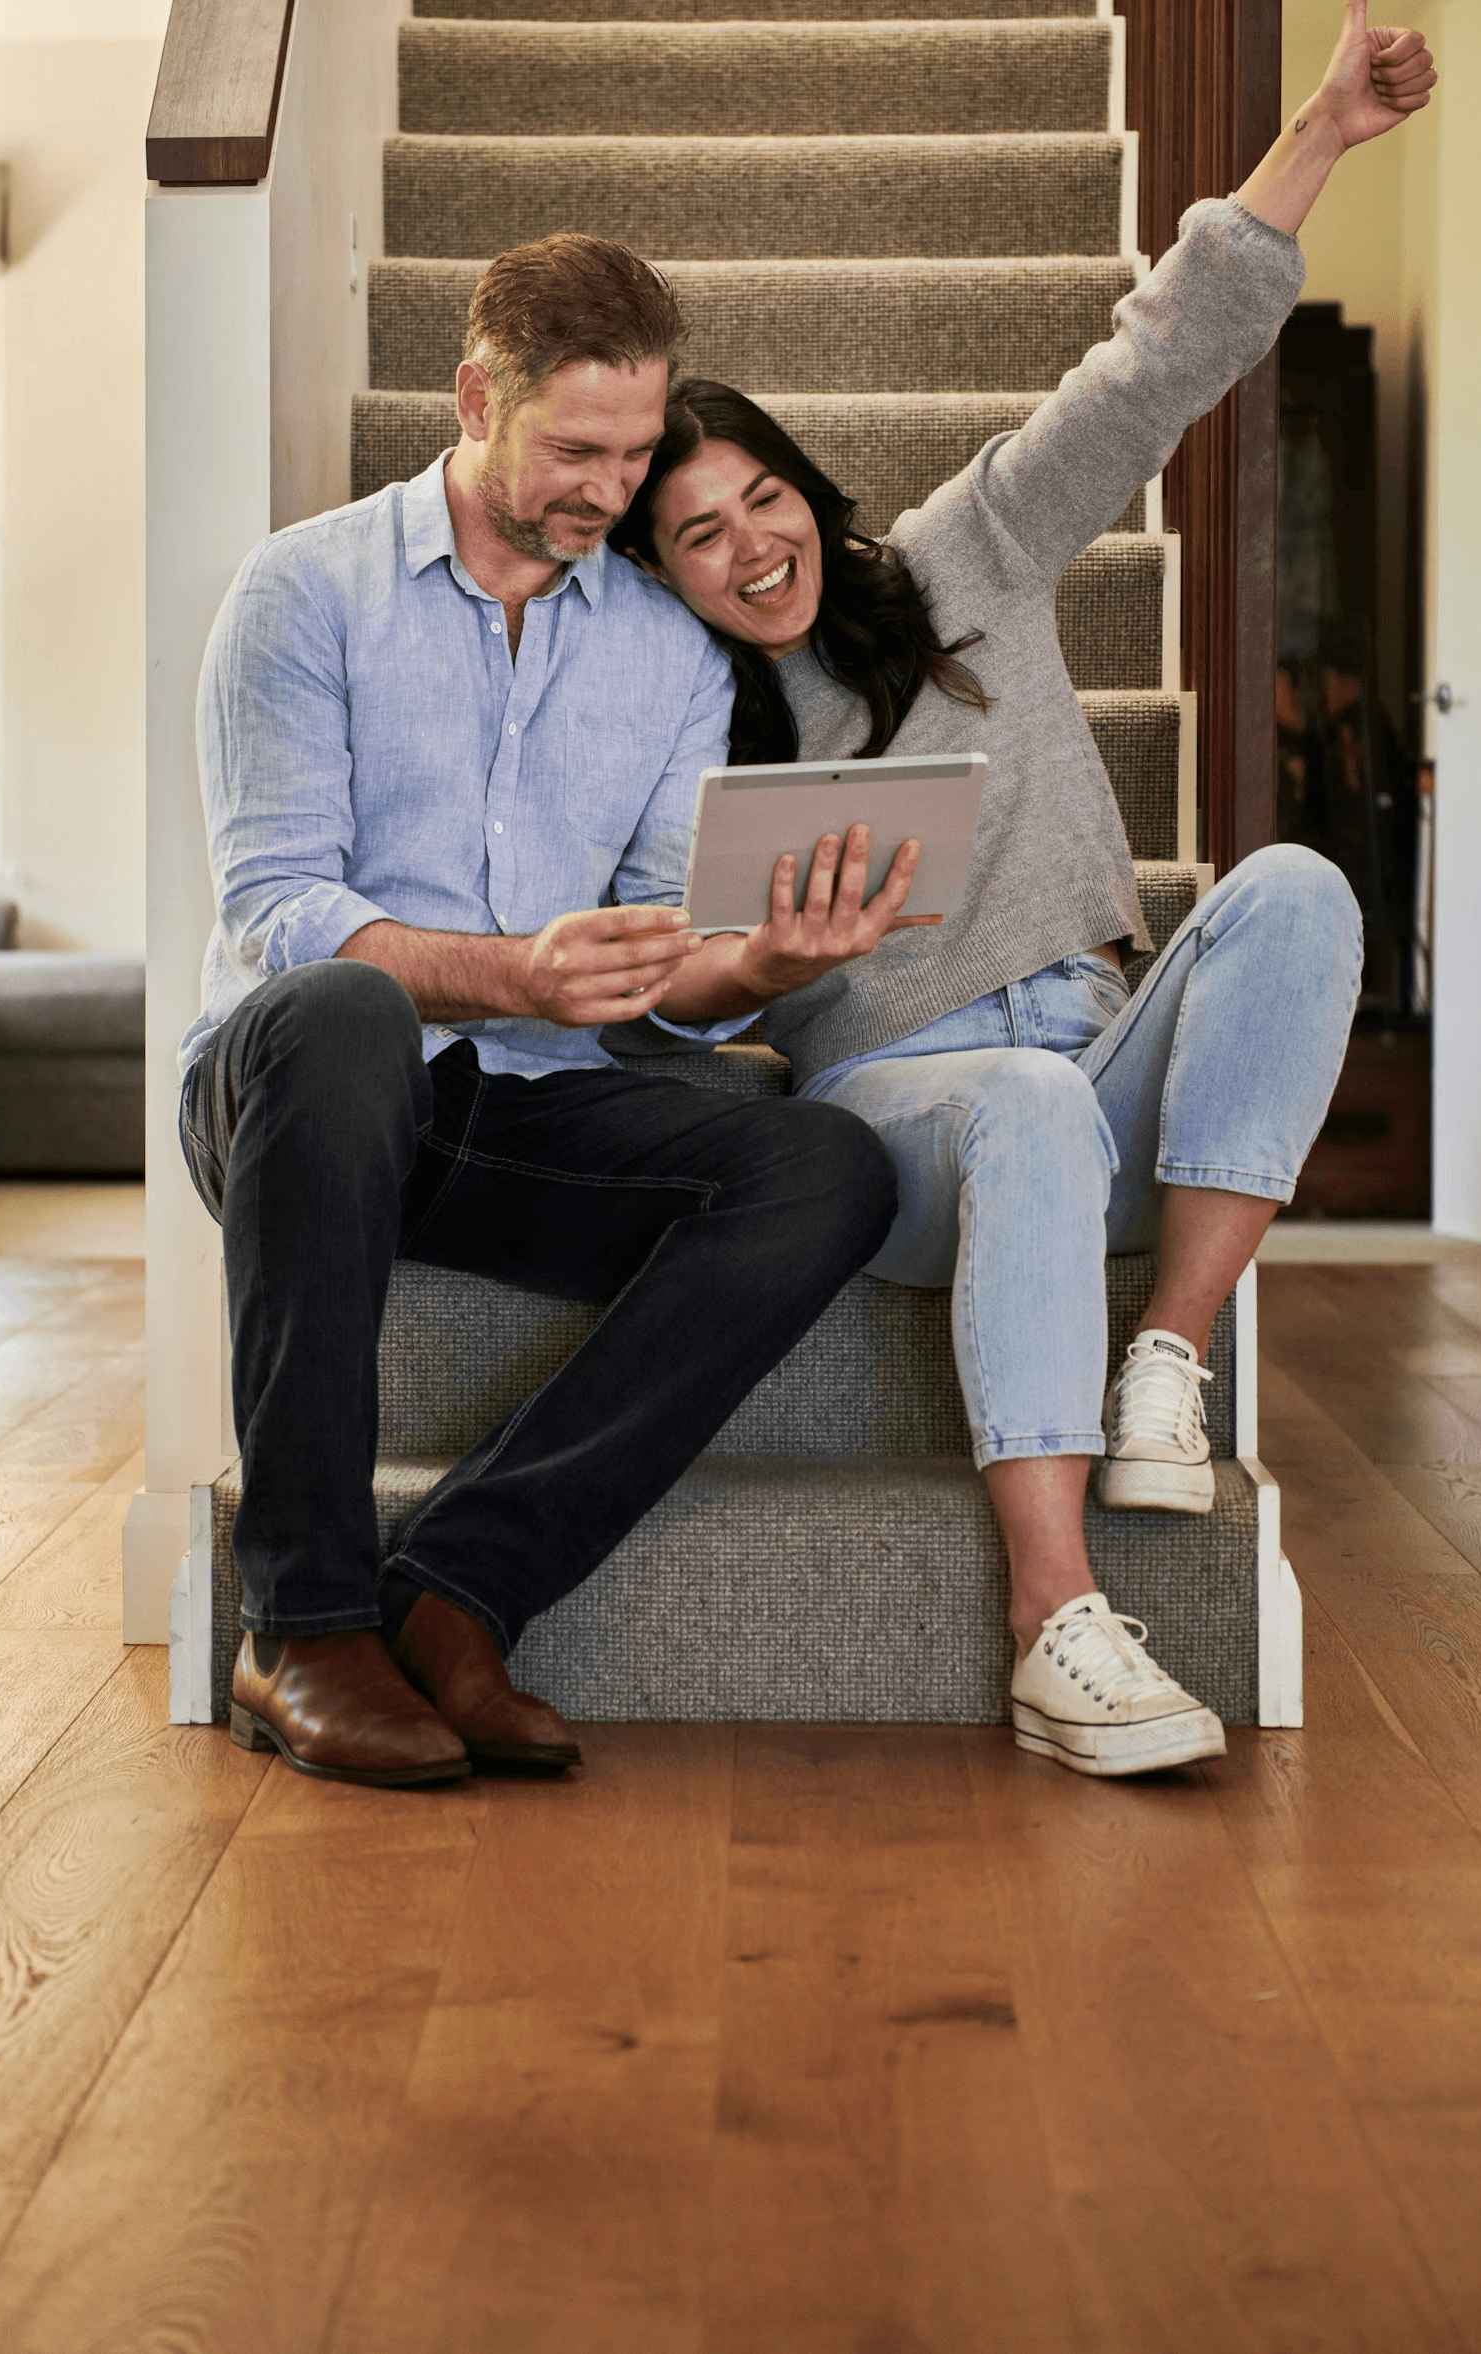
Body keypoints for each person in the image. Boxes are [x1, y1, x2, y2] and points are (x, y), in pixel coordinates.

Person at [612, 2, 1436, 1777]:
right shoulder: (681, 728)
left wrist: (1320, 135)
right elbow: (660, 986)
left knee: (1293, 886)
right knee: (1020, 1111)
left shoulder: (962, 554)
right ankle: (1051, 1617)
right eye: (698, 533)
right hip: (904, 1123)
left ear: (806, 489)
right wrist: (756, 956)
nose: (754, 545)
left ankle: (1166, 1356)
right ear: (661, 576)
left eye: (765, 498)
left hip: (1094, 1041)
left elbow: (1155, 362)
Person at [180, 236, 936, 1788]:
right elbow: (278, 911)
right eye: (577, 449)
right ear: (475, 398)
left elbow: (652, 972)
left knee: (828, 1167)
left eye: (637, 450)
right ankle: (302, 1620)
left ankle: (456, 1587)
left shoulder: (666, 650)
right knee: (342, 1011)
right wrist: (513, 968)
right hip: (304, 1102)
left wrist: (762, 970)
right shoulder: (304, 592)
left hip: (518, 1109)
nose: (613, 490)